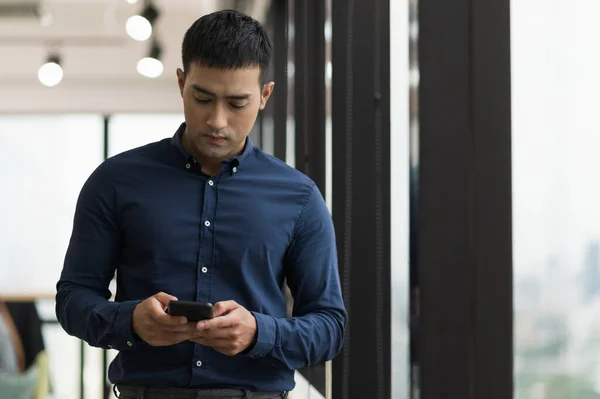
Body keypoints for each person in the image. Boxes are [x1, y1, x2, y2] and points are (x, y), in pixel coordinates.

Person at [55, 9, 346, 399]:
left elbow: (330, 326)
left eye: (237, 103)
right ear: (181, 83)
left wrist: (260, 333)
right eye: (203, 98)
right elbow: (73, 298)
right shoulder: (115, 182)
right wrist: (130, 321)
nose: (217, 121)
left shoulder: (300, 196)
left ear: (264, 96)